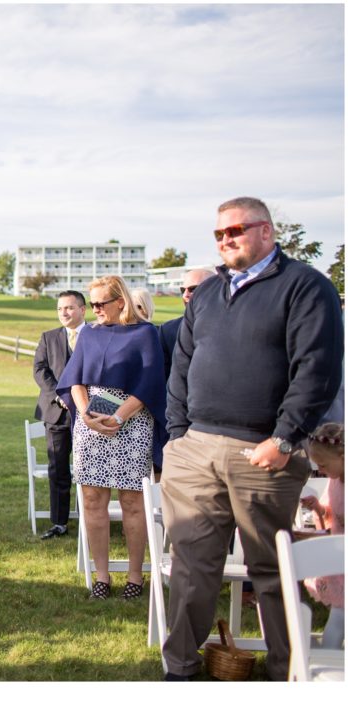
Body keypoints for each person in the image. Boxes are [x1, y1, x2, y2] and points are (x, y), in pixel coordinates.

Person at [162, 196, 343, 681]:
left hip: (264, 454)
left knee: (271, 571)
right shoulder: (205, 293)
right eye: (219, 234)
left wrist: (284, 440)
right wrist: (178, 437)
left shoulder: (306, 287)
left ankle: (287, 671)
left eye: (236, 230)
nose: (226, 240)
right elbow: (181, 366)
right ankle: (180, 669)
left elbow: (317, 371)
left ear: (267, 230)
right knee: (191, 567)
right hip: (195, 450)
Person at [56, 275, 168, 601]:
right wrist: (87, 415)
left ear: (121, 301)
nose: (94, 310)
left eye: (100, 304)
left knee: (132, 501)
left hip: (131, 424)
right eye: (91, 304)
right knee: (92, 501)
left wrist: (120, 416)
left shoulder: (146, 333)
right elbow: (74, 379)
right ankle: (101, 578)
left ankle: (135, 576)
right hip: (91, 423)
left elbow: (150, 384)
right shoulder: (89, 333)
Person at [32, 290, 87, 539]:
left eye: (69, 307)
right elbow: (40, 370)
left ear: (82, 309)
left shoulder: (97, 335)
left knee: (90, 469)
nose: (64, 312)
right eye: (60, 308)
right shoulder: (48, 337)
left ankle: (91, 520)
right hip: (55, 413)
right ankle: (59, 523)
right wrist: (61, 395)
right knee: (58, 468)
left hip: (89, 414)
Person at [300, 423, 344, 650]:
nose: (322, 470)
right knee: (338, 614)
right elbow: (329, 514)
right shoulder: (335, 482)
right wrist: (317, 506)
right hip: (337, 560)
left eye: (324, 465)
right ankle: (330, 657)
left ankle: (329, 657)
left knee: (339, 617)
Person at [159, 268, 215, 381]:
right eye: (182, 290)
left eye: (192, 289)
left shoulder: (233, 326)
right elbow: (163, 377)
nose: (185, 295)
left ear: (214, 290)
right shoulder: (168, 330)